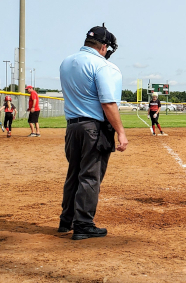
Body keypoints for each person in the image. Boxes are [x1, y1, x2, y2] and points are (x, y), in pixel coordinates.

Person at [58, 24, 128, 240]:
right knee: (90, 175)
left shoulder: (67, 62)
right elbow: (108, 103)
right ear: (104, 47)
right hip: (93, 129)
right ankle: (83, 224)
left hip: (73, 127)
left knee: (74, 174)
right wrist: (121, 132)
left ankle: (66, 221)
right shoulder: (103, 66)